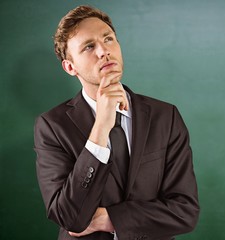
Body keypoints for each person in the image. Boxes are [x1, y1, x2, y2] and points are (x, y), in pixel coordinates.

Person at [34, 5, 199, 240]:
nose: (103, 51)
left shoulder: (166, 116)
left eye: (108, 39)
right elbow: (69, 217)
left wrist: (112, 219)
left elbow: (185, 211)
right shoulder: (52, 126)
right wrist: (101, 126)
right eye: (89, 46)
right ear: (70, 67)